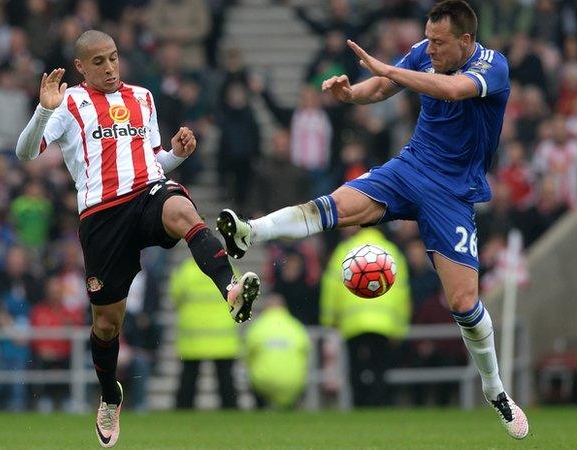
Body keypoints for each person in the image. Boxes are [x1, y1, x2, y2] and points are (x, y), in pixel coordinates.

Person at [217, 0, 529, 439]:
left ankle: (494, 389)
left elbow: (452, 90)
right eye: (429, 40)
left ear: (466, 40)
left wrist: (389, 69)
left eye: (440, 43)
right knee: (334, 205)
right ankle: (252, 233)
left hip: (453, 192)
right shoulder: (424, 52)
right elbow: (382, 87)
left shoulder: (492, 66)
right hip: (410, 167)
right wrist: (351, 94)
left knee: (463, 303)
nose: (431, 49)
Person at [15, 30, 260, 448]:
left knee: (183, 211)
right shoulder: (68, 103)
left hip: (147, 193)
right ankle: (110, 394)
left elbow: (153, 160)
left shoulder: (143, 98)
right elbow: (25, 153)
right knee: (107, 324)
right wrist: (42, 110)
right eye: (98, 62)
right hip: (101, 217)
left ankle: (231, 288)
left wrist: (177, 156)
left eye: (113, 58)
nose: (109, 68)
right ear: (80, 67)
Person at [320, 227, 411, 407]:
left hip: (352, 322)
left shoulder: (344, 250)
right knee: (380, 367)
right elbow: (402, 291)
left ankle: (359, 404)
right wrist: (400, 327)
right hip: (385, 323)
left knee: (355, 368)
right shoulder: (392, 251)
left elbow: (331, 286)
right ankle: (378, 405)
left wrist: (328, 320)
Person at [169, 258, 240, 409]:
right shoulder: (228, 269)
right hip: (223, 335)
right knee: (226, 381)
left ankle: (183, 412)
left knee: (188, 379)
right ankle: (231, 411)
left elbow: (175, 296)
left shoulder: (186, 271)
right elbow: (238, 296)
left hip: (194, 335)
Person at [245, 293, 310, 409]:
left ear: (266, 308)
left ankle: (260, 411)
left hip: (265, 382)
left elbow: (247, 356)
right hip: (293, 382)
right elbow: (306, 353)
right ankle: (292, 410)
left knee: (251, 374)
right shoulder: (296, 326)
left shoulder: (257, 327)